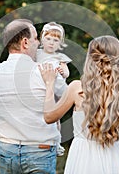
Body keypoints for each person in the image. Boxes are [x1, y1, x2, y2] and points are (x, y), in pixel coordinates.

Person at [39, 35, 119, 174]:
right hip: (115, 159)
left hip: (82, 160)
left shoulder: (77, 89)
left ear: (90, 60)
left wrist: (50, 85)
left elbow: (49, 117)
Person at [0, 19, 61, 174]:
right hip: (40, 150)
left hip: (7, 150)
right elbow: (56, 110)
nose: (39, 43)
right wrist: (51, 84)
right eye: (35, 38)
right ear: (25, 42)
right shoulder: (44, 71)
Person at [37, 22, 72, 156]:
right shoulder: (37, 54)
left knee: (55, 117)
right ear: (42, 39)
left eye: (56, 40)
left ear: (60, 43)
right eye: (48, 39)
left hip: (58, 87)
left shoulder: (59, 57)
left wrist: (62, 72)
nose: (51, 43)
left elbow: (67, 73)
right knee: (43, 113)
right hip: (43, 87)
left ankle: (57, 142)